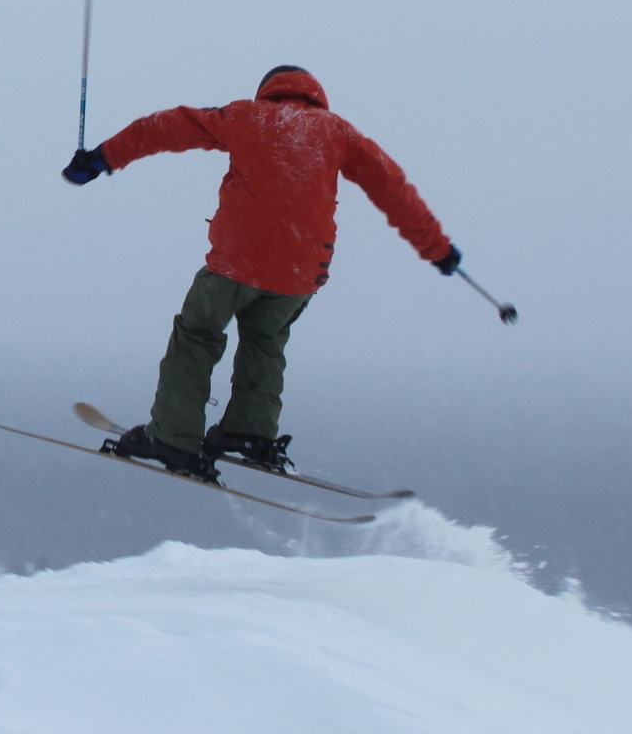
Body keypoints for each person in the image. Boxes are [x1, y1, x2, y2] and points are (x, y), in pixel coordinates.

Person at [61, 66, 458, 482]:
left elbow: (164, 128)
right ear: (316, 97)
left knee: (198, 334)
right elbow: (393, 188)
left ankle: (173, 437)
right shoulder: (339, 134)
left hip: (238, 262)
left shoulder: (245, 117)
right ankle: (249, 433)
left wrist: (102, 157)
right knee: (266, 341)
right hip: (300, 272)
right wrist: (438, 249)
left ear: (267, 92)